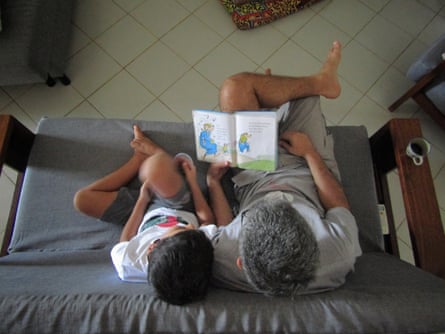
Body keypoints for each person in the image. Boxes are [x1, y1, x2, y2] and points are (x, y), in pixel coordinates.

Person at [206, 41, 362, 296]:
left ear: (240, 262)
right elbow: (337, 204)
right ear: (314, 244)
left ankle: (269, 106)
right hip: (307, 171)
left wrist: (213, 182)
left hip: (253, 177)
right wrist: (310, 153)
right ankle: (309, 87)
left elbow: (224, 229)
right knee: (304, 97)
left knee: (234, 88)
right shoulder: (338, 254)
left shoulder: (223, 259)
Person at [73, 125, 216, 305]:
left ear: (152, 246)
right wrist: (192, 182)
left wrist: (142, 199)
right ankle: (159, 158)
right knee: (158, 168)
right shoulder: (197, 252)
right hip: (179, 207)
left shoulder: (129, 265)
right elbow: (206, 221)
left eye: (181, 228)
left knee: (82, 200)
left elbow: (125, 240)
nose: (189, 226)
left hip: (140, 214)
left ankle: (139, 158)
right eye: (189, 228)